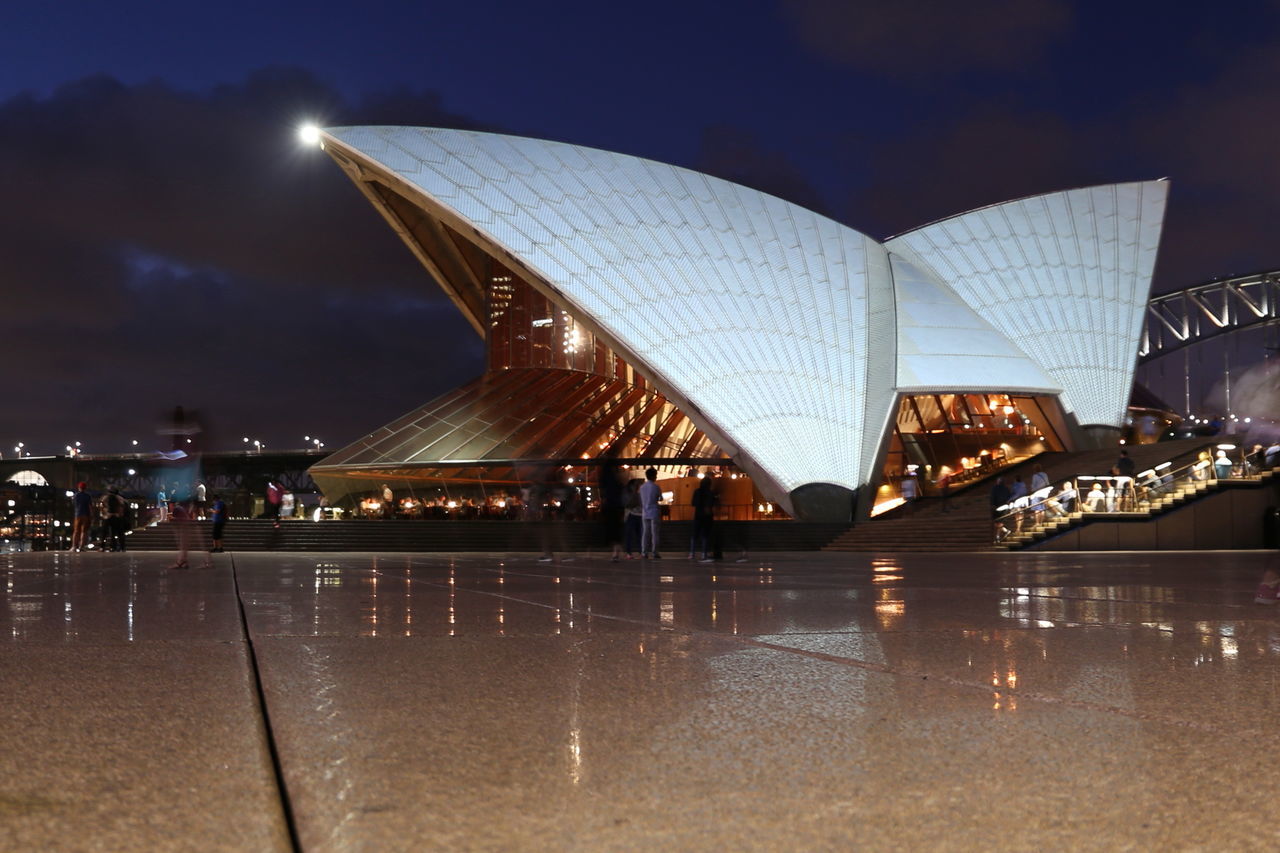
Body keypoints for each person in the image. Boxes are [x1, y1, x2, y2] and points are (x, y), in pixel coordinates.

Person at [598, 456, 625, 562]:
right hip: (615, 506)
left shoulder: (606, 478)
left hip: (610, 506)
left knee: (612, 529)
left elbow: (604, 492)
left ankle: (615, 551)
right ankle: (616, 551)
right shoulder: (615, 479)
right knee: (616, 530)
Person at [689, 477, 717, 562]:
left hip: (698, 515)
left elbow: (693, 503)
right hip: (707, 516)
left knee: (694, 535)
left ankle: (692, 553)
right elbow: (712, 503)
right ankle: (704, 553)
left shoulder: (697, 492)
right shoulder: (710, 493)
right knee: (705, 535)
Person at [639, 467, 663, 559]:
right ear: (653, 476)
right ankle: (655, 552)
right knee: (655, 533)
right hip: (654, 511)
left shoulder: (642, 487)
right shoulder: (656, 487)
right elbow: (660, 498)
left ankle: (644, 552)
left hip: (645, 512)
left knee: (645, 533)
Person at [623, 479, 643, 558]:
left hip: (639, 515)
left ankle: (641, 551)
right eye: (635, 485)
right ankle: (629, 552)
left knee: (639, 534)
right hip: (631, 515)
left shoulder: (639, 494)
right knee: (629, 534)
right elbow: (627, 504)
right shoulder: (628, 494)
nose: (636, 487)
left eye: (637, 485)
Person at [104, 487, 127, 552]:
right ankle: (122, 547)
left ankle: (113, 547)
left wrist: (105, 514)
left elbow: (103, 504)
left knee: (112, 533)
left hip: (110, 516)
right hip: (118, 517)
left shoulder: (107, 498)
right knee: (120, 533)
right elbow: (122, 506)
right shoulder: (120, 498)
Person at [71, 482, 92, 552]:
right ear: (85, 488)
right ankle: (81, 547)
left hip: (77, 515)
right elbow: (90, 507)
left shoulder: (76, 495)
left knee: (76, 531)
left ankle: (74, 546)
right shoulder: (88, 496)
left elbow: (74, 504)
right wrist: (91, 515)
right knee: (84, 532)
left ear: (78, 487)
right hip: (86, 515)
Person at [990, 476, 1011, 541]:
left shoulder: (995, 488)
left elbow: (992, 497)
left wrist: (992, 504)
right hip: (1004, 506)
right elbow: (1009, 497)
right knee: (999, 522)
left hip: (997, 506)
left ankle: (997, 536)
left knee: (997, 522)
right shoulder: (1006, 488)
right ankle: (1005, 531)